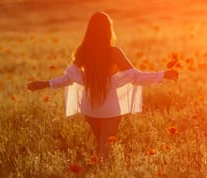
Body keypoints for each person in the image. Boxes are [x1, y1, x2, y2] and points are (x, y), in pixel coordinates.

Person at [27, 12, 179, 158]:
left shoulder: (83, 52)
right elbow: (136, 76)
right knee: (105, 147)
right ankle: (102, 176)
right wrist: (162, 75)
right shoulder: (114, 53)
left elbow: (68, 78)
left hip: (90, 107)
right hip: (110, 108)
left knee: (100, 143)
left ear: (90, 30)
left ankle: (96, 174)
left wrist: (45, 83)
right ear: (109, 30)